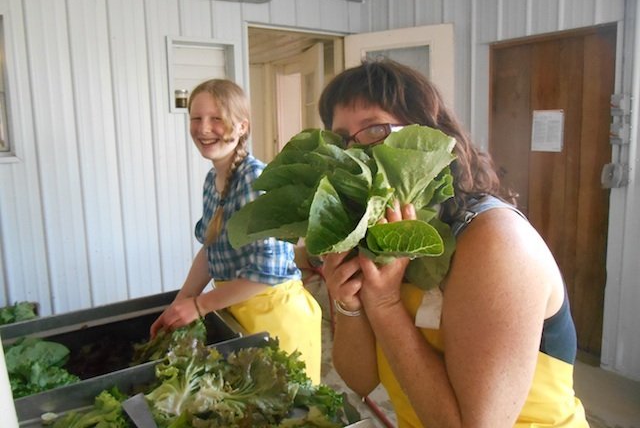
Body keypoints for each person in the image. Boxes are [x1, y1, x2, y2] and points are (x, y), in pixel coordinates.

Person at [317, 60, 588, 427]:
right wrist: (348, 305)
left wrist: (384, 304)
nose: (355, 151)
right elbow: (361, 380)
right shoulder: (376, 229)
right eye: (343, 139)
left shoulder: (496, 240)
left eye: (375, 129)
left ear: (427, 133)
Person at [150, 79, 322, 384]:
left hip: (275, 315)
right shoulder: (213, 180)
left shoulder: (254, 180)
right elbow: (210, 248)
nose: (203, 129)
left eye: (216, 118)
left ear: (242, 126)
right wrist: (183, 301)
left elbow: (267, 273)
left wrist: (199, 305)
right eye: (196, 118)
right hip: (238, 308)